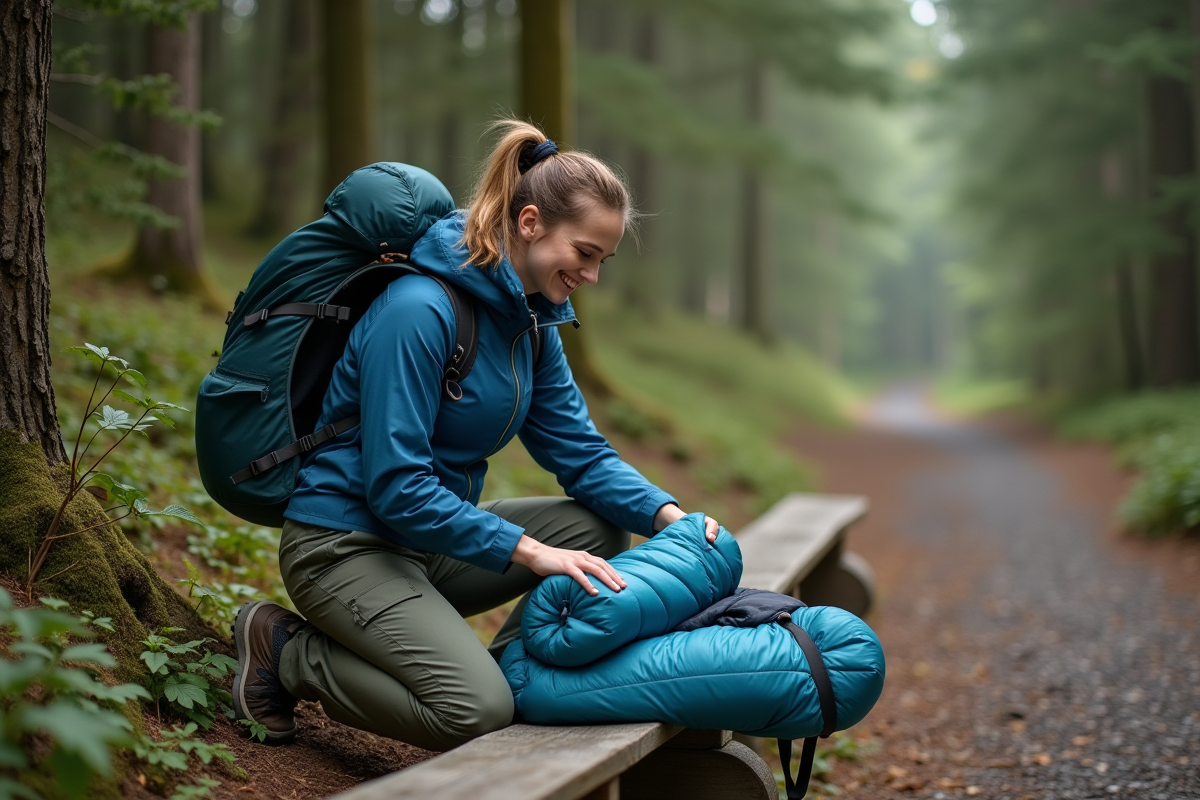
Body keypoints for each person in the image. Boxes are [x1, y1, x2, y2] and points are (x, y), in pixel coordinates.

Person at [230, 120, 720, 749]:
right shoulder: (418, 310)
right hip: (344, 546)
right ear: (530, 222)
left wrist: (671, 518)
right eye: (585, 253)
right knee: (476, 712)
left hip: (427, 545)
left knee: (596, 530)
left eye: (603, 259)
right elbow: (397, 486)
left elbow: (581, 454)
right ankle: (287, 652)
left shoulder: (531, 325)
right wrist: (528, 550)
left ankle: (522, 677)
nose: (593, 276)